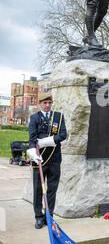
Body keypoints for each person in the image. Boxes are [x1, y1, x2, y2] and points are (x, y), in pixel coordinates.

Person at [27, 93, 67, 229]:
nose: (47, 105)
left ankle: (48, 217)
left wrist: (46, 141)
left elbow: (63, 134)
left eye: (49, 102)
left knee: (52, 189)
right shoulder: (34, 118)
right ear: (40, 104)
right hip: (39, 159)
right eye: (45, 103)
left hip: (55, 159)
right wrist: (33, 150)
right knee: (38, 189)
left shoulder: (58, 117)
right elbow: (32, 138)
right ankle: (38, 217)